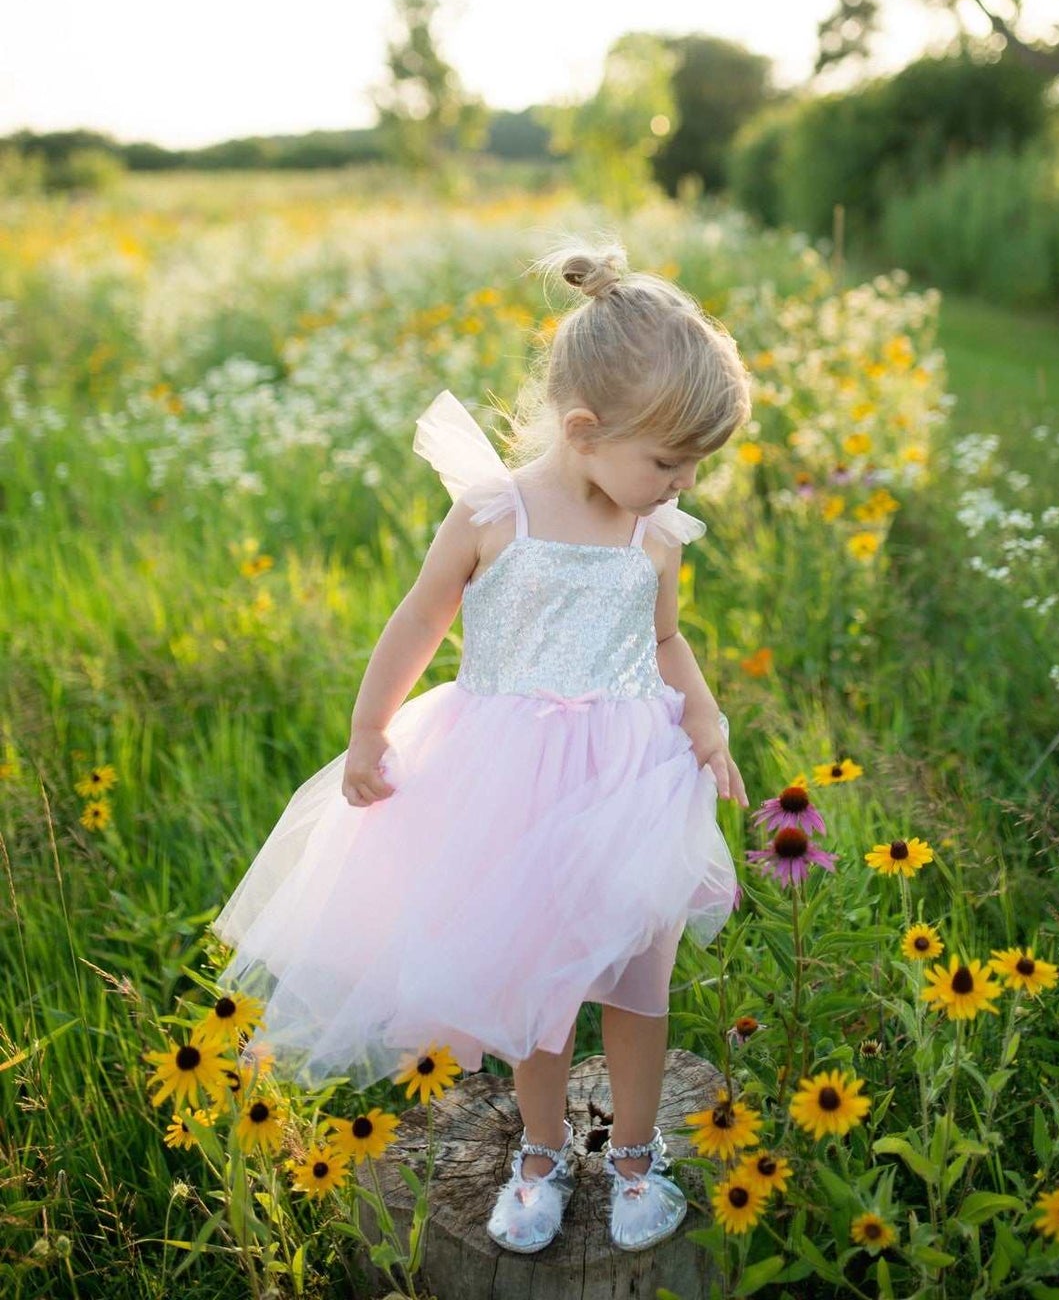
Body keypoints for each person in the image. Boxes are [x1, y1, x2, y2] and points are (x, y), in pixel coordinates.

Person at [210, 236, 752, 1255]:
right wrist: (369, 730)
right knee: (533, 985)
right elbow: (418, 621)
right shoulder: (493, 510)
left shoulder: (655, 534)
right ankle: (540, 1152)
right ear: (586, 431)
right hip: (504, 782)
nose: (682, 484)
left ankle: (636, 1156)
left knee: (640, 980)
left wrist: (706, 720)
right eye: (669, 462)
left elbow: (664, 643)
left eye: (693, 467)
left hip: (629, 779)